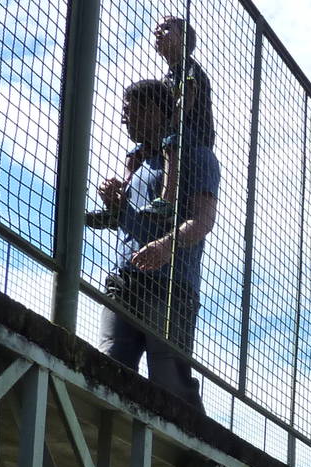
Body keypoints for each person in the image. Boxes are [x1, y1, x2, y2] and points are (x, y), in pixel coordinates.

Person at [96, 78, 219, 406]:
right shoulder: (136, 163)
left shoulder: (196, 155)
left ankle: (190, 451)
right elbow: (131, 223)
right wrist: (115, 205)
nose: (124, 119)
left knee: (169, 385)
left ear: (153, 111)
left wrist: (166, 246)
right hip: (124, 279)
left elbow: (203, 221)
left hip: (169, 286)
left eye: (130, 111)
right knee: (107, 367)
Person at [143, 13, 215, 218]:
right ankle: (117, 204)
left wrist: (171, 124)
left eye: (166, 28)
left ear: (183, 39)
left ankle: (168, 199)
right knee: (138, 151)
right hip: (171, 131)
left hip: (195, 134)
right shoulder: (168, 76)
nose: (158, 32)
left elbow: (188, 97)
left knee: (172, 139)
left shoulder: (189, 67)